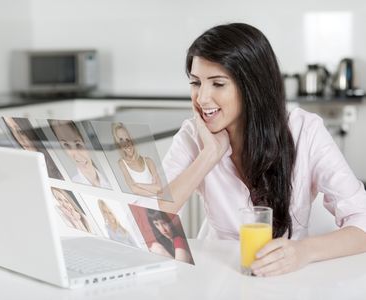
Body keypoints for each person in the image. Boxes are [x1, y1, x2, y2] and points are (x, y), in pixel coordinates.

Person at [159, 23, 366, 276]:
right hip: (218, 276)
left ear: (251, 86)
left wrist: (304, 250)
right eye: (196, 83)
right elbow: (147, 221)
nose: (201, 98)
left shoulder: (305, 131)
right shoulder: (194, 136)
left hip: (288, 277)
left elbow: (362, 221)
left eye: (218, 84)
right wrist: (208, 156)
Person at [49, 120, 111, 188]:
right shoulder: (71, 186)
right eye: (66, 145)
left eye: (78, 144)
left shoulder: (110, 179)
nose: (76, 155)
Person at [112, 122, 163, 198]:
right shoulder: (122, 163)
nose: (126, 144)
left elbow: (159, 188)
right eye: (121, 140)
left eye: (127, 139)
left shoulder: (148, 161)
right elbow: (134, 190)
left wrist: (139, 185)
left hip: (159, 202)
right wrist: (154, 190)